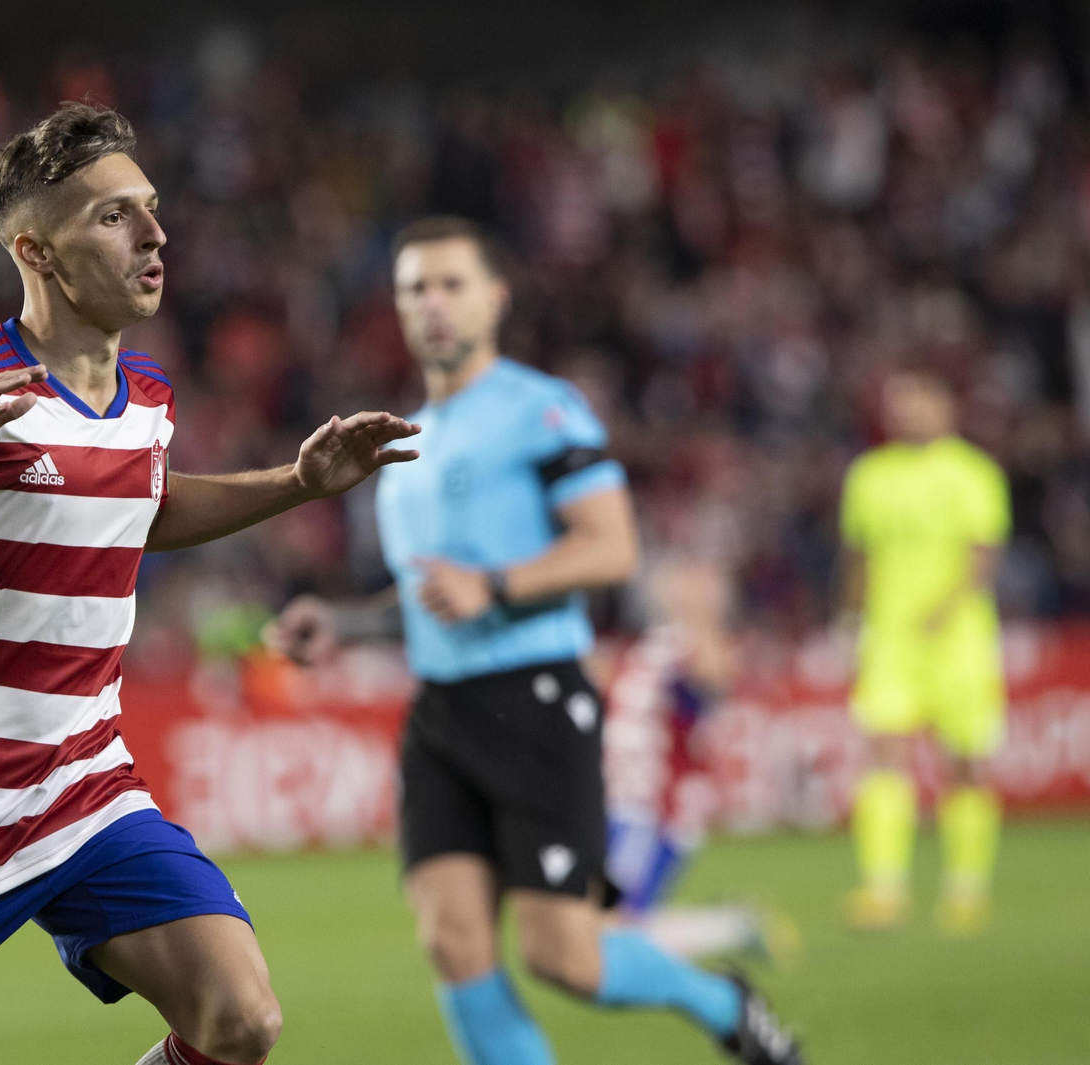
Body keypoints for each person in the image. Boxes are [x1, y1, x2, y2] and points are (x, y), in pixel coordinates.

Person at [0, 102, 420, 1065]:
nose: (155, 234)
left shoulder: (148, 395)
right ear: (36, 251)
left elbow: (140, 510)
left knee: (240, 1018)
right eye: (114, 216)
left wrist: (296, 483)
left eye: (150, 208)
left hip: (84, 787)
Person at [267, 217, 802, 1065]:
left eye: (452, 284)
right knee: (452, 942)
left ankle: (719, 996)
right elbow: (428, 598)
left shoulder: (540, 407)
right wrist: (345, 620)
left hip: (537, 697)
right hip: (441, 713)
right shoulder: (402, 442)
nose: (433, 304)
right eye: (415, 289)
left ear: (495, 297)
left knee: (565, 956)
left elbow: (611, 545)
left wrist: (499, 584)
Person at [838, 367, 1010, 934]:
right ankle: (884, 890)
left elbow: (982, 556)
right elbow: (859, 559)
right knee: (883, 753)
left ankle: (966, 891)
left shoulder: (973, 473)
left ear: (945, 406)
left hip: (959, 641)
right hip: (890, 639)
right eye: (899, 403)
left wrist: (944, 609)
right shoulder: (868, 475)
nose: (908, 412)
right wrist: (849, 619)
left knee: (964, 761)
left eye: (918, 400)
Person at [605, 557, 778, 962]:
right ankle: (730, 925)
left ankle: (731, 928)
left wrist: (702, 613)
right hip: (624, 803)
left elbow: (712, 681)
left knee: (613, 931)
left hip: (655, 811)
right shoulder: (652, 646)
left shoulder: (695, 649)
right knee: (606, 929)